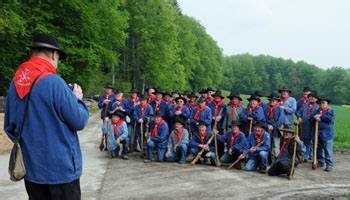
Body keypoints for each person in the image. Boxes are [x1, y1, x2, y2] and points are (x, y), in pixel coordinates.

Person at [4, 33, 89, 199]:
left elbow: (9, 128)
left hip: (32, 171)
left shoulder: (15, 83)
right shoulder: (55, 83)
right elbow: (79, 121)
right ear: (54, 54)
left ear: (31, 53)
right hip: (62, 171)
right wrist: (77, 99)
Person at [296, 90, 319, 161]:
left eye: (313, 97)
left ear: (316, 99)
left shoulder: (317, 107)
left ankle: (306, 156)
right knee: (301, 141)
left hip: (311, 127)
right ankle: (301, 155)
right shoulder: (305, 105)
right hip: (302, 126)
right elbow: (298, 112)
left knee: (308, 142)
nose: (311, 98)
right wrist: (299, 117)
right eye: (310, 97)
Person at [314, 97, 336, 172]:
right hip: (318, 132)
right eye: (320, 103)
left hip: (327, 133)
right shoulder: (317, 111)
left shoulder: (330, 111)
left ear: (327, 103)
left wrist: (321, 116)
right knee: (318, 148)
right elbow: (311, 118)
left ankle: (329, 165)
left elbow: (330, 119)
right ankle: (320, 162)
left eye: (323, 103)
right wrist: (315, 117)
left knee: (327, 150)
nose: (322, 104)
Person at [265, 92, 284, 160]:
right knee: (268, 144)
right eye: (271, 100)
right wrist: (267, 125)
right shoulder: (266, 108)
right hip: (267, 129)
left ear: (277, 101)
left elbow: (280, 120)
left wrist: (273, 126)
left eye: (274, 100)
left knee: (276, 145)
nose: (272, 101)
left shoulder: (280, 109)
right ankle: (268, 158)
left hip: (276, 130)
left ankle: (276, 159)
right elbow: (264, 118)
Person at [208, 90, 227, 157]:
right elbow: (209, 112)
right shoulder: (210, 104)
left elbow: (225, 114)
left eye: (218, 97)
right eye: (216, 96)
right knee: (212, 138)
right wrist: (213, 117)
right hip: (212, 124)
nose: (217, 98)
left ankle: (220, 154)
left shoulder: (224, 105)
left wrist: (220, 117)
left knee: (220, 139)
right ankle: (213, 153)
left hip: (220, 125)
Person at [98, 84, 116, 151]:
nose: (108, 90)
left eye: (109, 89)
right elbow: (99, 105)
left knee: (112, 130)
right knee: (105, 130)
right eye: (107, 88)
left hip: (112, 115)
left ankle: (112, 145)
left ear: (111, 90)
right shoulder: (102, 96)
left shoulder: (114, 96)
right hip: (105, 115)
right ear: (105, 89)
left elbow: (115, 105)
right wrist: (103, 102)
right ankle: (106, 145)